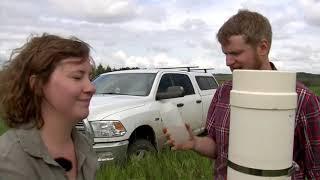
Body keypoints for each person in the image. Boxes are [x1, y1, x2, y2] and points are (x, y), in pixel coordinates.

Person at [164, 9, 320, 179]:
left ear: (262, 47)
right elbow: (218, 148)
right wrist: (195, 142)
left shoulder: (303, 99)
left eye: (236, 53)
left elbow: (316, 168)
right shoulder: (223, 92)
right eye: (226, 54)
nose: (228, 62)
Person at [0, 33, 98, 180]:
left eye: (89, 77)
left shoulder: (83, 145)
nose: (91, 88)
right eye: (77, 77)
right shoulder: (10, 160)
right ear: (38, 85)